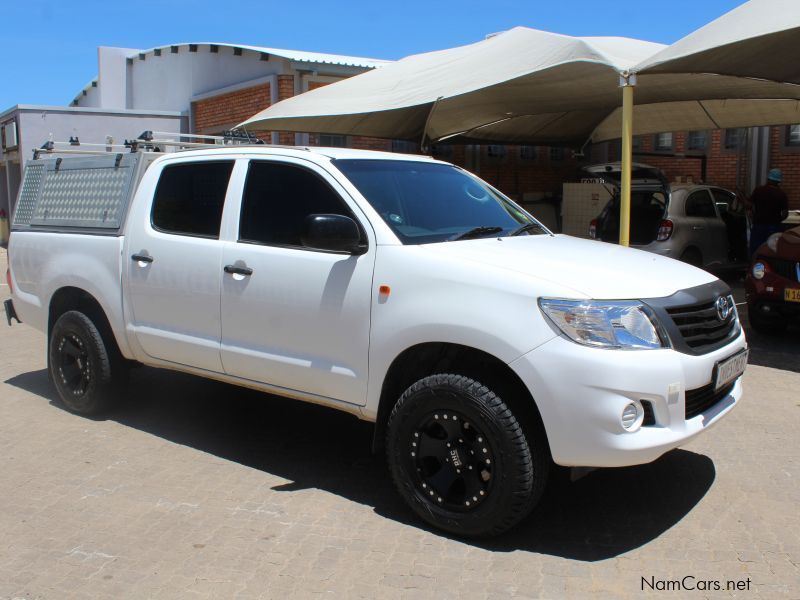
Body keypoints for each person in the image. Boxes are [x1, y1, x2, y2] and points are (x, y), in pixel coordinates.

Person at [748, 168, 789, 256]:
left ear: (768, 179)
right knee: (772, 252)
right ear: (778, 181)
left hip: (759, 226)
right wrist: (777, 219)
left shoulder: (759, 190)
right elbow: (785, 214)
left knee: (756, 251)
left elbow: (749, 206)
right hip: (774, 227)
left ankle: (755, 266)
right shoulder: (781, 194)